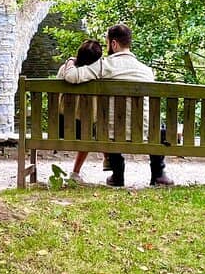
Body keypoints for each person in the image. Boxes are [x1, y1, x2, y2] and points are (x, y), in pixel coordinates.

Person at [59, 23, 174, 187]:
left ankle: (118, 175)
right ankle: (159, 174)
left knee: (108, 124)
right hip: (145, 133)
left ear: (113, 44)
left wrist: (71, 60)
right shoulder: (147, 71)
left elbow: (71, 76)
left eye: (107, 43)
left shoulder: (104, 65)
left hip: (111, 134)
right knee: (158, 125)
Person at [56, 38, 103, 183]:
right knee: (91, 127)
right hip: (86, 131)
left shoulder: (65, 70)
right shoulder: (98, 73)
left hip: (60, 127)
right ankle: (75, 172)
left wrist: (70, 61)